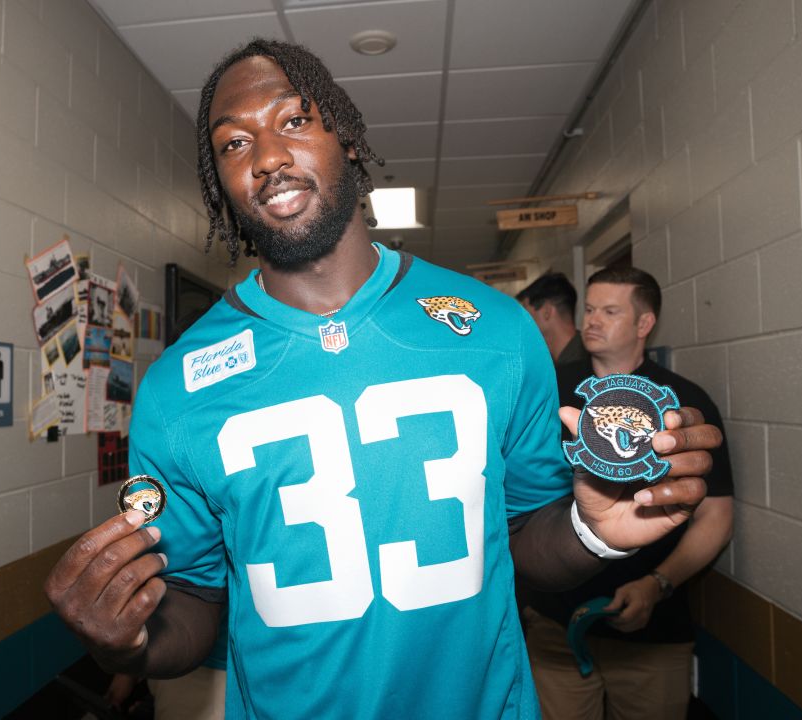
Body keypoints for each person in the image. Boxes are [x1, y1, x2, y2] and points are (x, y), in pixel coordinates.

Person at [45, 39, 722, 719]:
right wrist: (123, 644)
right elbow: (194, 604)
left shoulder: (497, 329)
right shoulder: (174, 392)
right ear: (218, 183)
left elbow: (526, 540)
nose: (267, 157)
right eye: (232, 144)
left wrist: (592, 531)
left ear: (348, 138)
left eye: (293, 121)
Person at [521, 267, 734, 720]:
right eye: (590, 309)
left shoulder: (682, 403)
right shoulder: (549, 391)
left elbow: (716, 516)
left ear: (644, 324)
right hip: (554, 625)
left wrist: (658, 583)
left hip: (651, 633)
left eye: (610, 311)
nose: (592, 321)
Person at [516, 271, 586, 367]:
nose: (522, 320)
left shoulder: (583, 364)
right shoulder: (555, 362)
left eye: (525, 312)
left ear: (546, 312)